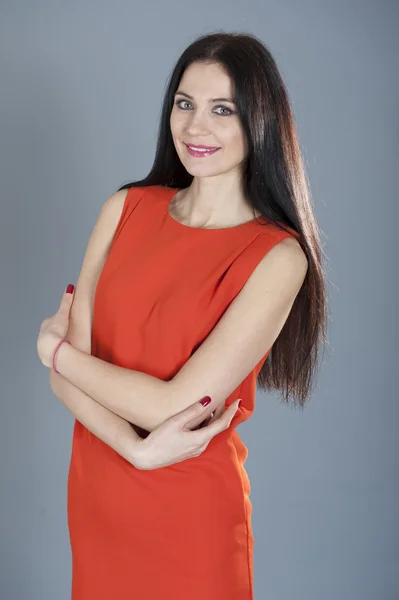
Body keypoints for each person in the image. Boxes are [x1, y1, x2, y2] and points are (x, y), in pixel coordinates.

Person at [42, 31, 328, 600]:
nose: (196, 127)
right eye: (185, 103)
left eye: (223, 109)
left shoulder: (277, 255)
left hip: (190, 513)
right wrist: (135, 448)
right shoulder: (124, 208)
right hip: (98, 501)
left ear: (260, 121)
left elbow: (174, 405)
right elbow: (68, 380)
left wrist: (54, 350)